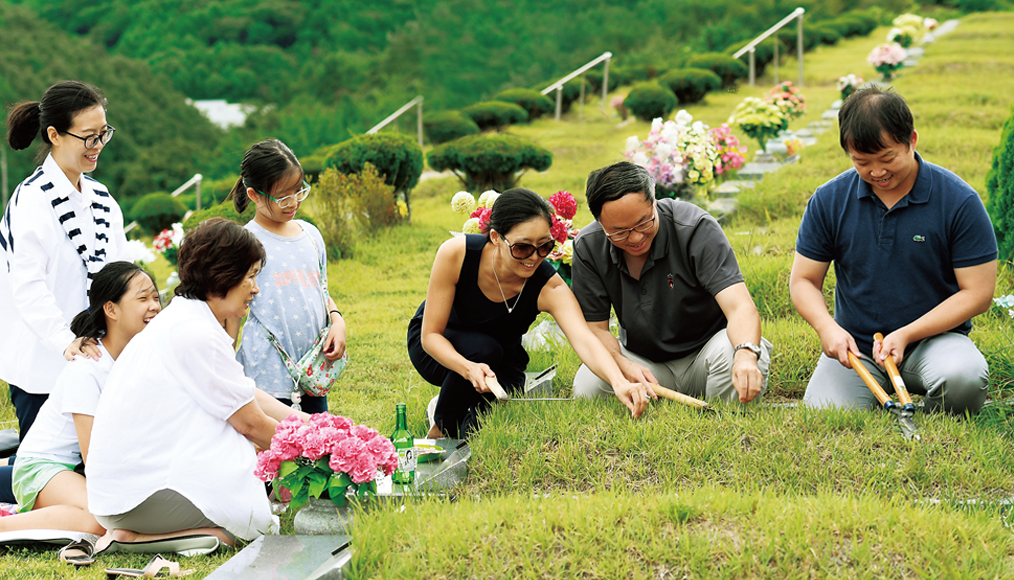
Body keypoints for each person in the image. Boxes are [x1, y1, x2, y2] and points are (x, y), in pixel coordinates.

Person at [86, 218, 309, 552]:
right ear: (222, 276)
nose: (255, 288)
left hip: (126, 491)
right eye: (249, 277)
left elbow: (246, 394)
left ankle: (148, 534)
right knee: (246, 530)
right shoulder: (195, 332)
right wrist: (320, 452)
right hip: (141, 496)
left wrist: (314, 427)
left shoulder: (186, 320)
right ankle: (134, 540)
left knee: (246, 508)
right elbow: (250, 423)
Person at [790, 86, 996, 415]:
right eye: (862, 162)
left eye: (887, 158)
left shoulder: (958, 200)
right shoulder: (829, 200)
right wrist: (827, 327)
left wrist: (907, 333)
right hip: (856, 349)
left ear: (911, 140)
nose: (876, 172)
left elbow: (979, 293)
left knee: (964, 381)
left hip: (935, 341)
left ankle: (931, 414)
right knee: (825, 412)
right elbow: (803, 280)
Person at [408, 188, 649, 440]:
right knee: (483, 350)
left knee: (482, 428)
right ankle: (439, 427)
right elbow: (431, 335)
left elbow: (585, 339)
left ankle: (449, 402)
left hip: (500, 359)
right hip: (437, 348)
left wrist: (619, 382)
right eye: (522, 248)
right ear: (495, 237)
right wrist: (468, 369)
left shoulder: (549, 286)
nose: (534, 258)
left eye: (544, 246)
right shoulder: (457, 254)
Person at [570, 161, 771, 405]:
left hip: (707, 354)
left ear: (654, 201)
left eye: (644, 223)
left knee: (738, 352)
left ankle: (725, 420)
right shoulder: (588, 246)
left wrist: (746, 355)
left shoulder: (695, 228)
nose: (635, 238)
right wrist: (623, 365)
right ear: (600, 223)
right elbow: (595, 330)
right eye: (619, 232)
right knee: (589, 384)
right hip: (644, 365)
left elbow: (740, 306)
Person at [0, 80, 126, 442]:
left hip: (98, 366)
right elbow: (28, 287)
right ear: (55, 135)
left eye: (104, 134)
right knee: (45, 480)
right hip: (44, 369)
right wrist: (65, 340)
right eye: (89, 136)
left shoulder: (102, 198)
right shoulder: (32, 200)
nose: (98, 146)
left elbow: (124, 274)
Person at [0, 261, 160, 535]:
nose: (155, 306)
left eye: (156, 297)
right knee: (101, 520)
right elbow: (93, 456)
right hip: (42, 466)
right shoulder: (86, 368)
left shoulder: (139, 361)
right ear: (111, 309)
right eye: (143, 298)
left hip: (75, 470)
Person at [231, 139, 346, 414]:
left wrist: (337, 320)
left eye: (298, 192)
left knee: (318, 443)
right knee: (278, 449)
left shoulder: (310, 234)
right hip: (268, 374)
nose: (293, 202)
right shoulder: (246, 242)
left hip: (312, 369)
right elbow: (234, 308)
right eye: (283, 197)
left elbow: (322, 289)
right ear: (254, 195)